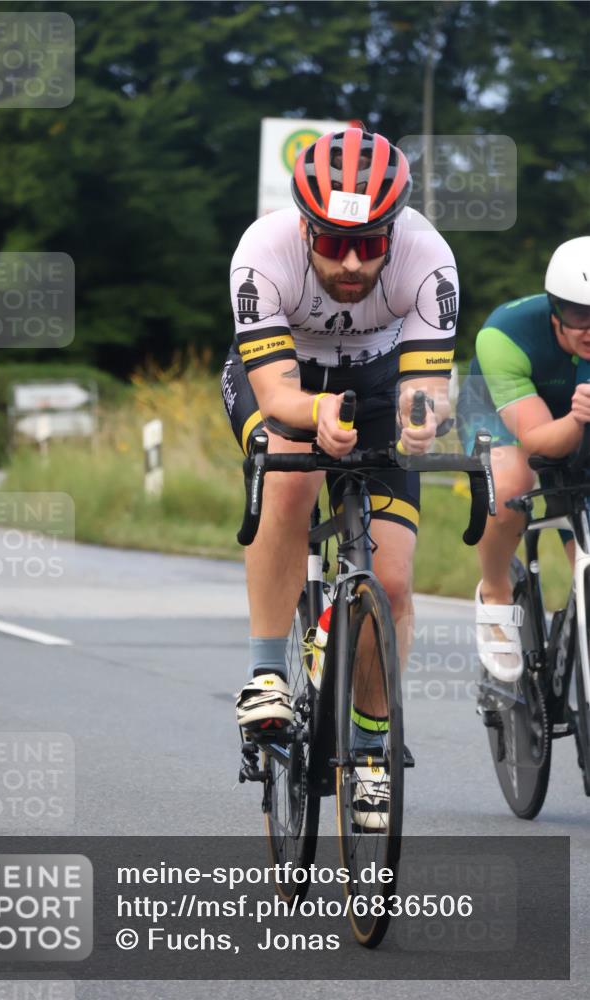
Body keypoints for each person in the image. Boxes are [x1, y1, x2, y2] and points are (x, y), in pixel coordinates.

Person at [221, 127, 458, 828]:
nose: (352, 262)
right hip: (287, 382)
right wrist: (317, 412)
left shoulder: (428, 259)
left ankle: (372, 747)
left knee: (389, 579)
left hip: (379, 389)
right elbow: (275, 395)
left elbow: (426, 387)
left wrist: (422, 420)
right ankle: (266, 674)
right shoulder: (261, 253)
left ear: (394, 231)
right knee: (289, 478)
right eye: (331, 243)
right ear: (303, 226)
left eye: (370, 243)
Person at [457, 236, 590, 683]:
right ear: (554, 308)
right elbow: (536, 442)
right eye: (578, 315)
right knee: (512, 480)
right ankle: (495, 593)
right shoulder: (504, 334)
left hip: (577, 418)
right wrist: (578, 418)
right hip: (503, 420)